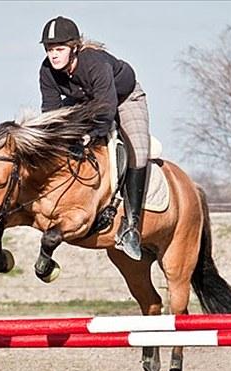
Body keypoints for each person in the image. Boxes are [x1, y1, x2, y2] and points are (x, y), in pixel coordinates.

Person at [38, 16, 150, 261]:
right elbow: (52, 113)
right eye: (49, 50)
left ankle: (131, 226)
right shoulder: (47, 71)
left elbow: (106, 109)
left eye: (59, 49)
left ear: (74, 47)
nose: (53, 55)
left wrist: (88, 136)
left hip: (124, 98)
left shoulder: (94, 63)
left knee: (139, 153)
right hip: (87, 101)